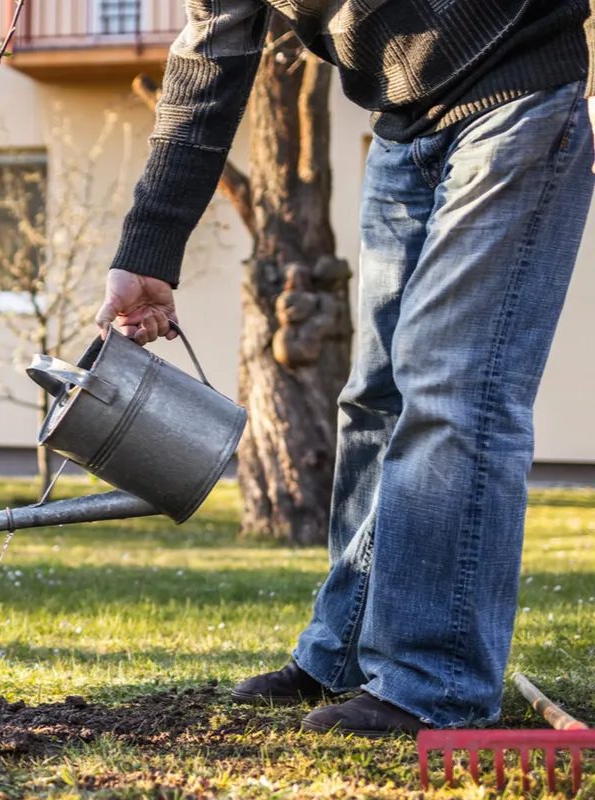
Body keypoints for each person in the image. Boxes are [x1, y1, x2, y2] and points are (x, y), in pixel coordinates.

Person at [95, 0, 595, 737]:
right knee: (376, 401)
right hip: (403, 125)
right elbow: (210, 55)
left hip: (520, 94)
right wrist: (147, 251)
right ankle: (348, 654)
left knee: (454, 390)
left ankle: (437, 685)